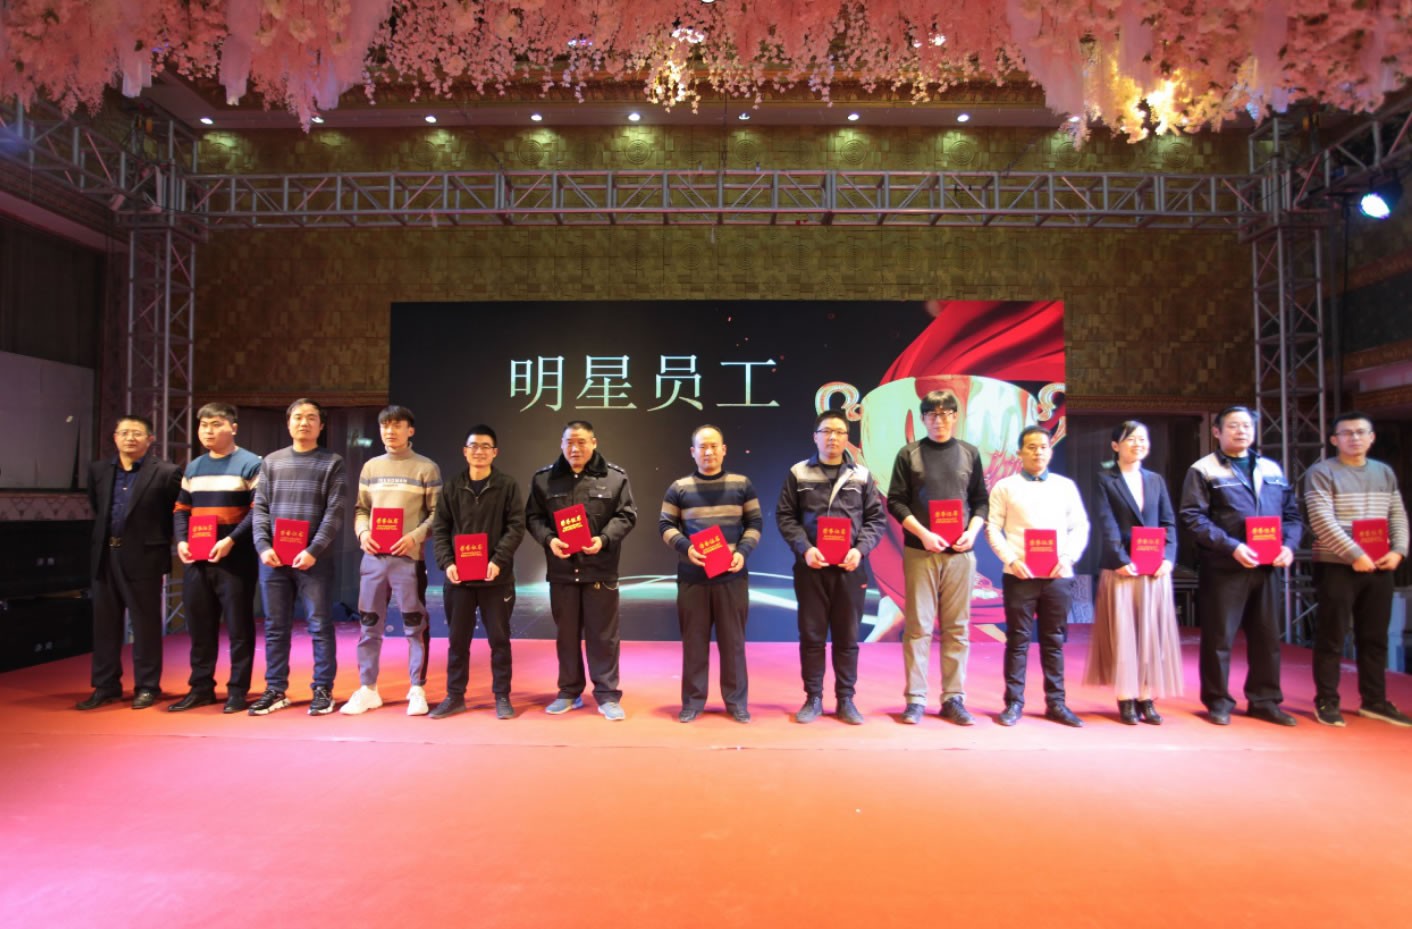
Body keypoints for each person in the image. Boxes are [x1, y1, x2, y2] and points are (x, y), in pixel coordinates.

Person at [1179, 405, 1301, 726]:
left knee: (1267, 637)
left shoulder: (1271, 469)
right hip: (1224, 566)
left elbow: (1292, 515)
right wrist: (1231, 547)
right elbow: (1192, 517)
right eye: (1233, 426)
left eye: (1247, 426)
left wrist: (1288, 546)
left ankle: (1265, 700)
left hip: (1267, 566)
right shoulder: (1203, 469)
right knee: (1220, 637)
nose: (1241, 431)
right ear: (1217, 432)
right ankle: (1218, 701)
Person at [776, 410, 887, 725]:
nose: (833, 437)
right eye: (826, 431)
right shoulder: (799, 473)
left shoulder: (861, 475)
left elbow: (876, 519)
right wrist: (805, 549)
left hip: (849, 570)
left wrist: (860, 550)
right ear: (815, 437)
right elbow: (786, 516)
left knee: (847, 637)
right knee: (812, 636)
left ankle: (846, 699)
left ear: (846, 438)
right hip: (811, 568)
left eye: (839, 432)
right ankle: (813, 698)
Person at [885, 388, 988, 726]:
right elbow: (896, 502)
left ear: (955, 417)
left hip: (960, 554)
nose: (938, 420)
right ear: (922, 418)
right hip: (921, 552)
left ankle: (953, 698)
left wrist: (972, 532)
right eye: (931, 414)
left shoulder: (970, 453)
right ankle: (915, 699)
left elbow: (981, 501)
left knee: (958, 628)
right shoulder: (909, 454)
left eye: (945, 414)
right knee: (918, 627)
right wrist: (924, 534)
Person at [1303, 411, 1411, 727]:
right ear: (1334, 439)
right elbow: (1321, 519)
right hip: (1337, 565)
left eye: (1361, 432)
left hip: (1380, 564)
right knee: (1332, 636)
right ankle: (1327, 700)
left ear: (1372, 437)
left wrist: (1399, 551)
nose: (1355, 438)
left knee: (1374, 636)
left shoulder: (1384, 472)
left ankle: (1374, 700)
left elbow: (1397, 514)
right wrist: (1354, 554)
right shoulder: (1322, 472)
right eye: (1347, 433)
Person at [525, 420, 637, 720]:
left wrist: (603, 539)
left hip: (600, 570)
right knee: (566, 635)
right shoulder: (544, 479)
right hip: (562, 570)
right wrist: (550, 540)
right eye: (569, 442)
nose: (575, 448)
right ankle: (568, 692)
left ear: (594, 443)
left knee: (604, 637)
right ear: (561, 444)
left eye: (581, 442)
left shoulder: (615, 477)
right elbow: (533, 518)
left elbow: (626, 516)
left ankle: (607, 695)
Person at [341, 405, 442, 717]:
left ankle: (417, 688)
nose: (390, 431)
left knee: (414, 626)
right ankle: (368, 688)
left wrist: (415, 536)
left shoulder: (426, 468)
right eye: (385, 425)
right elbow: (361, 509)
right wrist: (362, 533)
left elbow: (437, 514)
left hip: (408, 559)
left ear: (410, 430)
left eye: (397, 425)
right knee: (369, 625)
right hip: (373, 559)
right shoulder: (371, 467)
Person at [985, 425, 1089, 727]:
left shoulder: (1065, 486)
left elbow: (1080, 526)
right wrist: (1011, 559)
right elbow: (993, 528)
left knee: (1053, 641)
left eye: (1043, 446)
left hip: (1058, 575)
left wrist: (1067, 558)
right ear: (1019, 452)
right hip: (1019, 575)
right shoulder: (1005, 486)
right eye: (1031, 447)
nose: (1038, 452)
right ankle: (1013, 703)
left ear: (1050, 451)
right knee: (1017, 640)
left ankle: (1056, 703)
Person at [659, 425, 763, 723]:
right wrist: (686, 547)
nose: (708, 452)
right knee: (694, 644)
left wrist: (742, 552)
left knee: (734, 645)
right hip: (693, 578)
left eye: (714, 446)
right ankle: (693, 702)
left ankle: (736, 703)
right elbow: (665, 525)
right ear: (693, 452)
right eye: (702, 447)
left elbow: (755, 523)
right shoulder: (679, 488)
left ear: (724, 449)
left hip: (731, 577)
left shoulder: (742, 485)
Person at [249, 398, 347, 716]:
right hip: (274, 559)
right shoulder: (271, 462)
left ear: (322, 425)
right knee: (275, 627)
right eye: (298, 417)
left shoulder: (332, 462)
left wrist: (312, 550)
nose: (304, 422)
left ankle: (323, 688)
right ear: (288, 423)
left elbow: (334, 512)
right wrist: (263, 546)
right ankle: (275, 689)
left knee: (319, 625)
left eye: (311, 417)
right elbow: (260, 508)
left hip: (314, 560)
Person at [77, 415, 182, 710]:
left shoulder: (166, 472)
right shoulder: (98, 470)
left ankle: (147, 686)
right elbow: (98, 508)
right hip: (105, 555)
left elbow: (173, 514)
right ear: (115, 437)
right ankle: (105, 685)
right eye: (124, 433)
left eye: (137, 433)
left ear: (150, 439)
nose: (130, 438)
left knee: (145, 625)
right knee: (105, 625)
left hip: (144, 557)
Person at [1083, 420, 1183, 725]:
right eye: (1131, 439)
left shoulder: (1155, 480)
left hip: (1154, 570)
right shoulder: (1105, 479)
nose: (1138, 444)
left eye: (1142, 439)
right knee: (1124, 634)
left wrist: (1168, 558)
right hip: (1122, 569)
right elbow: (1106, 522)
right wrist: (1121, 559)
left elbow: (1168, 522)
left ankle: (1147, 697)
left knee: (1150, 636)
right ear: (1116, 446)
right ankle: (1126, 698)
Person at [170, 403, 262, 714]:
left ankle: (237, 690)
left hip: (235, 557)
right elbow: (181, 509)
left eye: (216, 424)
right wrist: (182, 541)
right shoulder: (194, 467)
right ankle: (201, 688)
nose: (208, 431)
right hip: (197, 557)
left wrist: (230, 540)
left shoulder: (252, 464)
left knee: (238, 628)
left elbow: (258, 511)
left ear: (233, 428)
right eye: (204, 425)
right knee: (199, 627)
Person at [429, 424, 525, 719]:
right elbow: (440, 529)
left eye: (485, 446)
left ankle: (502, 696)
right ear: (465, 451)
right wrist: (448, 563)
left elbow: (516, 527)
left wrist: (498, 560)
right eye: (474, 446)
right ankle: (455, 695)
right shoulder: (451, 487)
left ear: (495, 452)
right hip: (459, 580)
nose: (479, 451)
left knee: (500, 641)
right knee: (457, 641)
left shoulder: (507, 486)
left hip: (496, 578)